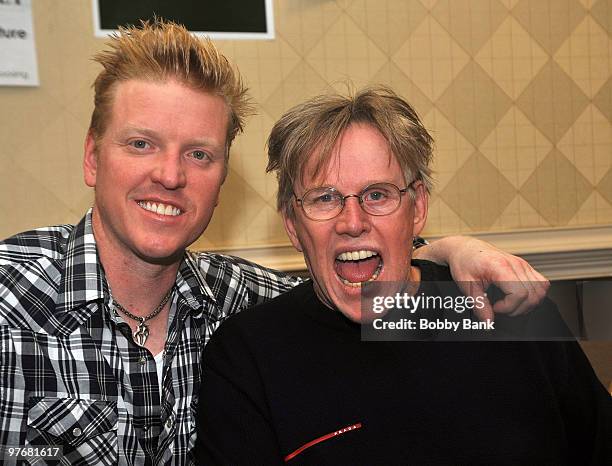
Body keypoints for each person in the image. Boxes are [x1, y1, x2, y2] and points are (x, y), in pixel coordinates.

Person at [0, 21, 548, 466]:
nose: (169, 175)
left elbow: (362, 266)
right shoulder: (9, 300)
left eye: (199, 154)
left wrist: (456, 251)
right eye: (141, 144)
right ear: (93, 157)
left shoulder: (241, 301)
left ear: (221, 176)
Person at [196, 87, 611, 465]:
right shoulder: (250, 355)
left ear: (418, 209)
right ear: (292, 224)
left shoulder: (507, 309)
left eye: (378, 195)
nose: (352, 221)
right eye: (325, 198)